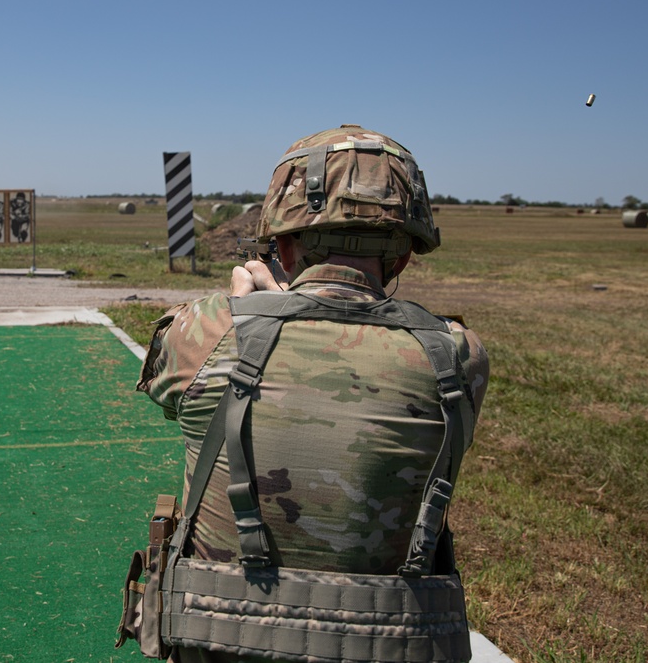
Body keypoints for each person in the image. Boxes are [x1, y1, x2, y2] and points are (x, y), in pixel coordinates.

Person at [136, 125, 489, 663]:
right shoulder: (458, 356)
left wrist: (246, 313)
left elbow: (165, 389)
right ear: (402, 257)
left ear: (281, 245)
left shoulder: (206, 331)